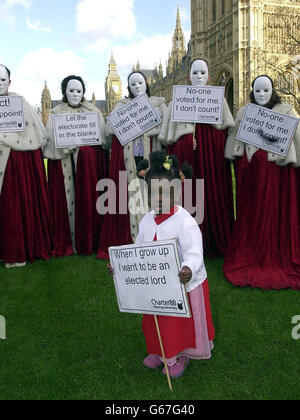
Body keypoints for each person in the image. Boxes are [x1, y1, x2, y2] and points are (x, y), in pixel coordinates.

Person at [108, 151, 215, 378]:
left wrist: (188, 268)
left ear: (175, 193)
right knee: (155, 323)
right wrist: (120, 267)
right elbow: (137, 251)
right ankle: (159, 352)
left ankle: (180, 355)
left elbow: (195, 252)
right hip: (155, 286)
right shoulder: (147, 220)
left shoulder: (185, 222)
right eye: (152, 192)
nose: (158, 198)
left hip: (180, 287)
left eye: (164, 193)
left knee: (176, 326)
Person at [224, 75, 300, 290]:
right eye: (257, 91)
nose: (262, 94)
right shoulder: (245, 114)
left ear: (272, 91)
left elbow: (296, 143)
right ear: (252, 93)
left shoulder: (286, 113)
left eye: (265, 90)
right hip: (253, 181)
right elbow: (235, 145)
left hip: (276, 180)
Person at [163, 58, 235, 258]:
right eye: (195, 73)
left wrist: (209, 140)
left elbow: (225, 131)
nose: (199, 77)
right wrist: (186, 142)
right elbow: (170, 140)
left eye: (202, 73)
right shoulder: (179, 99)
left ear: (209, 76)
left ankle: (212, 239)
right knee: (188, 195)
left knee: (211, 193)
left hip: (211, 159)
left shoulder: (217, 98)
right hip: (188, 161)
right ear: (189, 76)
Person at [98, 71, 167, 259]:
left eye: (140, 83)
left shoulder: (158, 105)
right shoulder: (121, 105)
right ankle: (129, 236)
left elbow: (164, 129)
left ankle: (153, 237)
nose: (137, 87)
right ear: (128, 87)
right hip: (127, 158)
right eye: (133, 84)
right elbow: (110, 129)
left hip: (150, 155)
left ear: (147, 84)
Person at [43, 75, 108, 257]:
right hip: (64, 166)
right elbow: (50, 144)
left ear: (83, 93)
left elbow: (102, 142)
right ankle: (67, 241)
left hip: (87, 171)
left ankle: (88, 239)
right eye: (71, 90)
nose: (74, 94)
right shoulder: (56, 113)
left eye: (78, 91)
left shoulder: (93, 111)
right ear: (64, 91)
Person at [0, 64, 53, 268]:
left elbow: (35, 135)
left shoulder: (21, 103)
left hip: (15, 167)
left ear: (10, 82)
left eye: (3, 79)